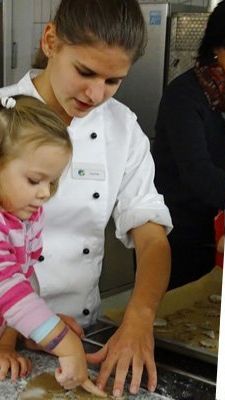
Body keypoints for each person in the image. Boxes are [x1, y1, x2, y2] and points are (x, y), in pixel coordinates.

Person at [0, 0, 172, 397]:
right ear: (50, 41)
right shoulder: (4, 118)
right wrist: (27, 322)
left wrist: (139, 318)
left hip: (82, 331)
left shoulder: (123, 128)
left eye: (114, 81)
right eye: (85, 72)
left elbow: (151, 235)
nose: (96, 93)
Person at [0, 95, 105, 396]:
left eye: (53, 182)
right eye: (35, 180)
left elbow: (23, 281)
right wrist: (68, 348)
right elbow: (10, 291)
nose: (46, 193)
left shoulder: (26, 217)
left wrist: (8, 342)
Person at [153, 0, 225, 289]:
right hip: (179, 229)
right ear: (216, 46)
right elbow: (197, 172)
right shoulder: (184, 96)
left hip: (221, 227)